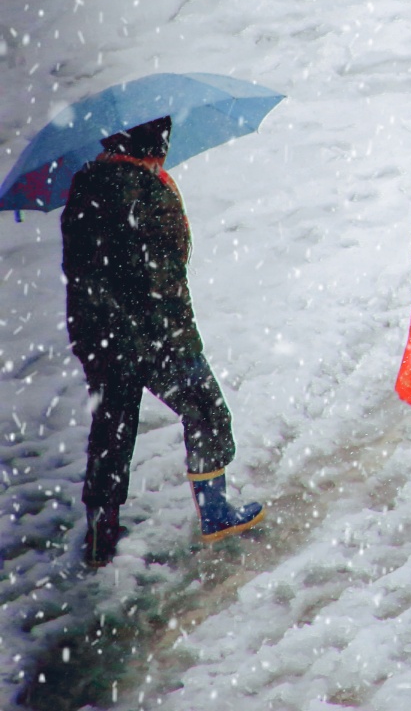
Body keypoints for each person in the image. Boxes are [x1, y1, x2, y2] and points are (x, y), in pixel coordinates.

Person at [61, 116, 263, 567]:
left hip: (96, 332)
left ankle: (101, 532)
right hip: (154, 335)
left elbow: (87, 266)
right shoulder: (149, 193)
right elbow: (166, 280)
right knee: (207, 411)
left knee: (111, 425)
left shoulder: (84, 186)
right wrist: (183, 346)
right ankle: (216, 514)